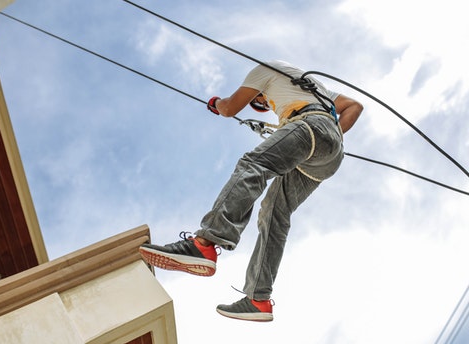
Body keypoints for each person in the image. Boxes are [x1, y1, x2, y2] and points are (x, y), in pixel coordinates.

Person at [139, 60, 363, 322]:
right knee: (274, 212)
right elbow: (354, 107)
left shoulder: (264, 71)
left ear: (257, 91)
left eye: (261, 102)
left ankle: (205, 244)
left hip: (310, 125)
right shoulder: (315, 88)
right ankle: (258, 299)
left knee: (253, 165)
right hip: (329, 155)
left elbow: (230, 107)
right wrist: (330, 136)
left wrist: (216, 103)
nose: (265, 106)